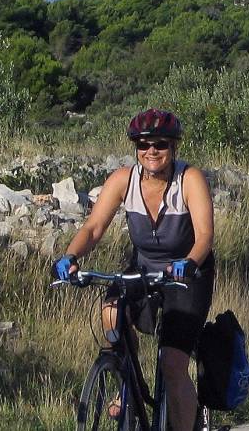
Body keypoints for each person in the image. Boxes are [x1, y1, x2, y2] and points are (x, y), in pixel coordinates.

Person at [52, 108, 214, 431]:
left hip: (187, 275)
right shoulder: (124, 180)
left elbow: (205, 235)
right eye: (143, 145)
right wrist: (70, 256)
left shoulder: (189, 179)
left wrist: (189, 263)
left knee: (172, 364)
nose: (151, 151)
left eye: (160, 144)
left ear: (174, 147)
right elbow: (94, 227)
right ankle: (126, 381)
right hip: (144, 269)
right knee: (111, 313)